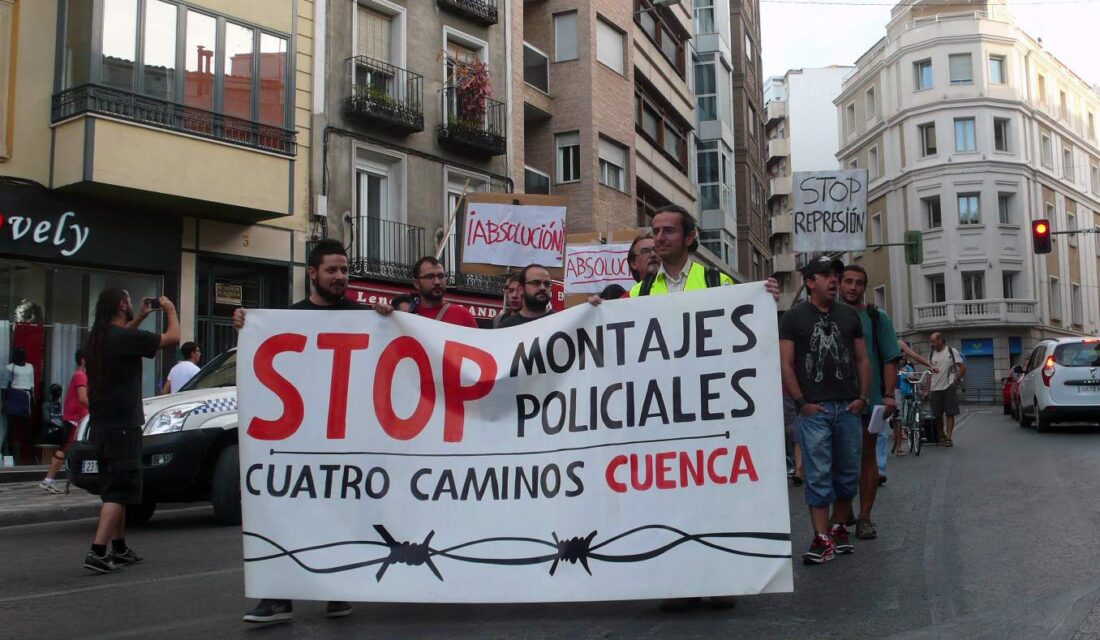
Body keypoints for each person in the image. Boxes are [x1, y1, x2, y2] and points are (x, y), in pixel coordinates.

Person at [233, 239, 360, 623]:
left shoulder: (363, 315)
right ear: (312, 273)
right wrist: (246, 324)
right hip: (296, 439)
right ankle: (278, 596)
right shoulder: (287, 318)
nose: (340, 277)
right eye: (332, 270)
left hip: (346, 438)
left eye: (344, 270)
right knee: (285, 511)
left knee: (340, 514)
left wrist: (389, 317)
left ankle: (339, 589)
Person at [779, 256, 871, 565]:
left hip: (848, 408)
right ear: (810, 282)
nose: (834, 280)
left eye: (836, 274)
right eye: (826, 275)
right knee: (818, 475)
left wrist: (861, 398)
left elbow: (862, 359)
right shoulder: (793, 318)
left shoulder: (849, 317)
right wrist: (802, 403)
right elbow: (786, 364)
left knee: (847, 475)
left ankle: (838, 527)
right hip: (815, 411)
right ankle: (821, 539)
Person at [82, 289, 178, 574]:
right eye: (128, 300)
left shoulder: (98, 338)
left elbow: (125, 337)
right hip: (123, 425)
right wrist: (169, 309)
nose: (131, 303)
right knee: (118, 490)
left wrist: (141, 317)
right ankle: (98, 551)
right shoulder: (122, 339)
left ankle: (120, 548)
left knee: (117, 487)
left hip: (102, 425)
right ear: (122, 304)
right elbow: (173, 338)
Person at [838, 265, 900, 540]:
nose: (853, 287)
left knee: (867, 457)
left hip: (871, 401)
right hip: (835, 401)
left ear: (865, 287)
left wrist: (888, 395)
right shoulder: (827, 314)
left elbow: (890, 358)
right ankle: (844, 510)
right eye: (848, 282)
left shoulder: (878, 318)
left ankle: (864, 517)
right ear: (839, 283)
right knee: (835, 461)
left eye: (859, 283)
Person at [374, 257, 478, 327]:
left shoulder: (464, 317)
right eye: (430, 277)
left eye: (441, 276)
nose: (437, 282)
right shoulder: (404, 316)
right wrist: (382, 315)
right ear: (416, 283)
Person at [40, 350, 89, 493]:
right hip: (74, 420)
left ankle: (56, 480)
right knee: (65, 450)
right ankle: (48, 479)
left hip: (77, 420)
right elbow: (82, 398)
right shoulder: (80, 375)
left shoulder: (82, 376)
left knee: (68, 450)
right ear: (84, 360)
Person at [928, 332, 966, 447]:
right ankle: (941, 435)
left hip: (949, 386)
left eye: (933, 342)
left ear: (940, 341)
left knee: (950, 413)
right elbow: (929, 373)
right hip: (935, 388)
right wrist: (927, 389)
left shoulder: (951, 351)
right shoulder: (931, 354)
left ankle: (949, 437)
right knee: (937, 414)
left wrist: (955, 381)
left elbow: (963, 368)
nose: (931, 344)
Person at [1, 347, 35, 461]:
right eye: (21, 353)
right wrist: (5, 403)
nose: (24, 355)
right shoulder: (9, 368)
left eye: (25, 353)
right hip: (14, 397)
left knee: (26, 427)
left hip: (26, 398)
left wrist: (33, 400)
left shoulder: (30, 367)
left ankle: (26, 452)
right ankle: (10, 452)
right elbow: (4, 387)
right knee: (12, 427)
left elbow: (31, 384)